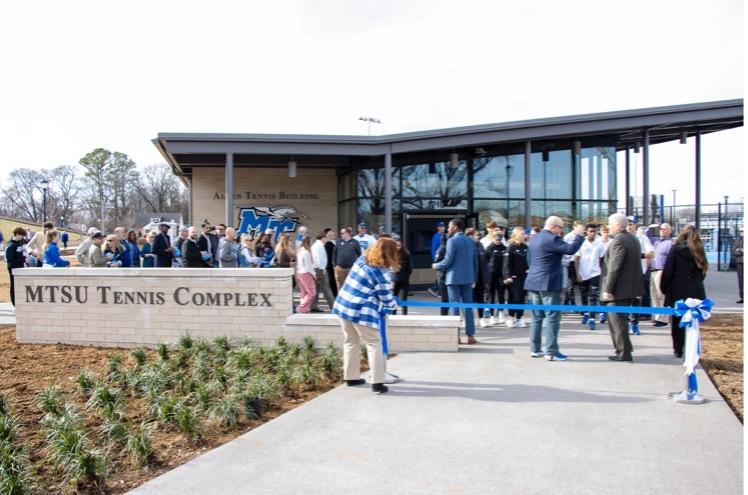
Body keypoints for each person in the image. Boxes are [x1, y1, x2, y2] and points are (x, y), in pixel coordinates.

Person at [332, 237, 400, 394]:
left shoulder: (362, 259)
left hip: (343, 306)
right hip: (360, 310)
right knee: (374, 343)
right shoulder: (382, 274)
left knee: (350, 341)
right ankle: (377, 382)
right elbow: (386, 298)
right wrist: (393, 304)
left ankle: (351, 377)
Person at [524, 216, 585, 361]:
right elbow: (570, 250)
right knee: (552, 318)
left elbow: (529, 260)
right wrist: (578, 235)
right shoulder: (552, 239)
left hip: (533, 282)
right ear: (553, 227)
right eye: (561, 228)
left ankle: (535, 349)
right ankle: (551, 351)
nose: (562, 231)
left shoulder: (535, 238)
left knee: (536, 318)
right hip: (548, 284)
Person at [600, 213, 644, 362]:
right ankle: (625, 348)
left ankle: (623, 352)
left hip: (618, 290)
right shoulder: (634, 239)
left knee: (617, 323)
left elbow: (614, 267)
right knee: (621, 321)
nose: (608, 227)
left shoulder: (619, 241)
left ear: (618, 225)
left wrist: (608, 289)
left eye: (610, 224)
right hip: (629, 288)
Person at [660, 224, 708, 359]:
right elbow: (703, 271)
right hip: (695, 290)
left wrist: (664, 288)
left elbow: (668, 271)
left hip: (677, 290)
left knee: (677, 321)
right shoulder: (699, 250)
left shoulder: (675, 250)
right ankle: (691, 347)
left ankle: (678, 348)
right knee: (693, 322)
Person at [433, 218, 479, 345]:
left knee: (455, 306)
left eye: (449, 227)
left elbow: (448, 261)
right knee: (468, 307)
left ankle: (456, 335)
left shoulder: (451, 241)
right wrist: (474, 277)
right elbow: (475, 262)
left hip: (453, 278)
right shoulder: (471, 241)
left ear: (455, 227)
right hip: (468, 278)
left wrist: (436, 265)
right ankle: (471, 336)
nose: (448, 229)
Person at [574, 224, 606, 330]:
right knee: (584, 295)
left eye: (594, 231)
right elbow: (576, 259)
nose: (593, 233)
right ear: (586, 232)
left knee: (593, 296)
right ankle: (586, 313)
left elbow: (602, 259)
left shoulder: (600, 243)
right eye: (591, 231)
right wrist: (577, 273)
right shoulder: (581, 243)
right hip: (583, 273)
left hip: (595, 273)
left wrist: (602, 272)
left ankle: (592, 318)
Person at [626, 217, 654, 335]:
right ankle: (626, 323)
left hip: (638, 273)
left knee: (637, 299)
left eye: (631, 224)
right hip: (625, 274)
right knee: (625, 299)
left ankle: (635, 323)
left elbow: (651, 253)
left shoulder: (642, 238)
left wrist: (639, 257)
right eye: (627, 224)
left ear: (635, 225)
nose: (629, 226)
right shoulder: (622, 238)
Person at [503, 227, 529, 328]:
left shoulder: (526, 247)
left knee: (522, 298)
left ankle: (520, 317)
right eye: (522, 233)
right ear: (516, 234)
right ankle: (510, 317)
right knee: (514, 297)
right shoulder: (511, 247)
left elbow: (528, 260)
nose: (524, 235)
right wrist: (507, 276)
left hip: (524, 276)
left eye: (524, 233)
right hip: (514, 277)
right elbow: (506, 263)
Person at [649, 223, 673, 327]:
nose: (662, 231)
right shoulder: (656, 241)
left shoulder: (670, 243)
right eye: (661, 229)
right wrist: (651, 227)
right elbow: (646, 235)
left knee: (661, 295)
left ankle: (663, 319)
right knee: (654, 295)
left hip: (661, 271)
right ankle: (657, 317)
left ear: (669, 231)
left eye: (664, 229)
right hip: (653, 271)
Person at [466, 228, 490, 328]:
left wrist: (486, 278)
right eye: (474, 235)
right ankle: (468, 320)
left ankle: (481, 318)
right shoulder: (467, 246)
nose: (476, 236)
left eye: (477, 235)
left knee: (481, 299)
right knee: (468, 301)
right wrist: (472, 279)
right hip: (470, 278)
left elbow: (484, 263)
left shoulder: (480, 245)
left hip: (480, 278)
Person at [485, 229, 508, 325]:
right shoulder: (489, 248)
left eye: (499, 239)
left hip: (501, 275)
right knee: (491, 295)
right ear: (493, 238)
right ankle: (491, 316)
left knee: (501, 295)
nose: (498, 241)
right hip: (491, 275)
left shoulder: (504, 248)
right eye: (496, 239)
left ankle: (501, 313)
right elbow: (485, 261)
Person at [311, 232, 335, 313]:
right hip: (320, 270)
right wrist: (322, 268)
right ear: (323, 238)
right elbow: (318, 258)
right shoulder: (320, 246)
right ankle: (333, 307)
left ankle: (313, 307)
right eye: (326, 238)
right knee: (326, 289)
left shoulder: (315, 245)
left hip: (316, 269)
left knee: (316, 289)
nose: (326, 239)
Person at [562, 221, 584, 307]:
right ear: (574, 227)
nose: (581, 230)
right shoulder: (567, 237)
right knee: (570, 285)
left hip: (579, 263)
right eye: (580, 228)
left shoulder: (582, 237)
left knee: (578, 285)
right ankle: (573, 304)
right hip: (570, 263)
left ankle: (568, 301)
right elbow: (566, 251)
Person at [5, 227, 28, 307]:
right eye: (22, 235)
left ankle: (19, 302)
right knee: (14, 286)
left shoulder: (19, 243)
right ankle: (14, 303)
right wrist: (23, 258)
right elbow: (11, 260)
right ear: (17, 234)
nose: (22, 237)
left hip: (20, 267)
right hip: (13, 268)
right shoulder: (11, 245)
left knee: (19, 286)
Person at [391, 234, 412, 315]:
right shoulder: (391, 254)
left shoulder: (406, 254)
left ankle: (404, 316)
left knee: (404, 300)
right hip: (394, 281)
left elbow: (409, 269)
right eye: (396, 245)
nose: (397, 247)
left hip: (403, 280)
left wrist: (404, 277)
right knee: (393, 300)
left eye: (399, 245)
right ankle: (393, 315)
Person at [294, 235, 316, 314]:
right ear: (308, 242)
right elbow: (308, 266)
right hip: (305, 273)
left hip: (299, 273)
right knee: (312, 293)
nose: (312, 243)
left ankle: (304, 309)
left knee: (304, 293)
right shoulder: (306, 252)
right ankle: (301, 308)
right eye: (311, 241)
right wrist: (314, 274)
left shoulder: (299, 250)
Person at [428, 221, 446, 297]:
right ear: (438, 228)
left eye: (443, 226)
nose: (442, 228)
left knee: (443, 274)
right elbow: (433, 249)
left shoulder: (444, 235)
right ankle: (435, 289)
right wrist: (435, 259)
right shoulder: (436, 236)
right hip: (439, 259)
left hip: (445, 258)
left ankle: (435, 289)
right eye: (440, 226)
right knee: (441, 275)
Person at [433, 233, 450, 316]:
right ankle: (444, 316)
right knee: (445, 299)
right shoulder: (442, 249)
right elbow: (437, 263)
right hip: (443, 277)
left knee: (448, 300)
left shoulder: (447, 249)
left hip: (446, 276)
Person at [324, 229, 338, 296]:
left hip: (332, 265)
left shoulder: (334, 243)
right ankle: (334, 294)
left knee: (333, 281)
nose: (333, 235)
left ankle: (334, 294)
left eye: (333, 234)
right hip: (330, 265)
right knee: (332, 281)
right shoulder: (328, 244)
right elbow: (329, 255)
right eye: (331, 234)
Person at [732, 226, 743, 304]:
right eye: (740, 231)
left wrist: (739, 250)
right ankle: (743, 297)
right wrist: (741, 250)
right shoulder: (737, 240)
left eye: (742, 231)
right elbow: (734, 251)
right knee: (741, 280)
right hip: (740, 262)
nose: (741, 232)